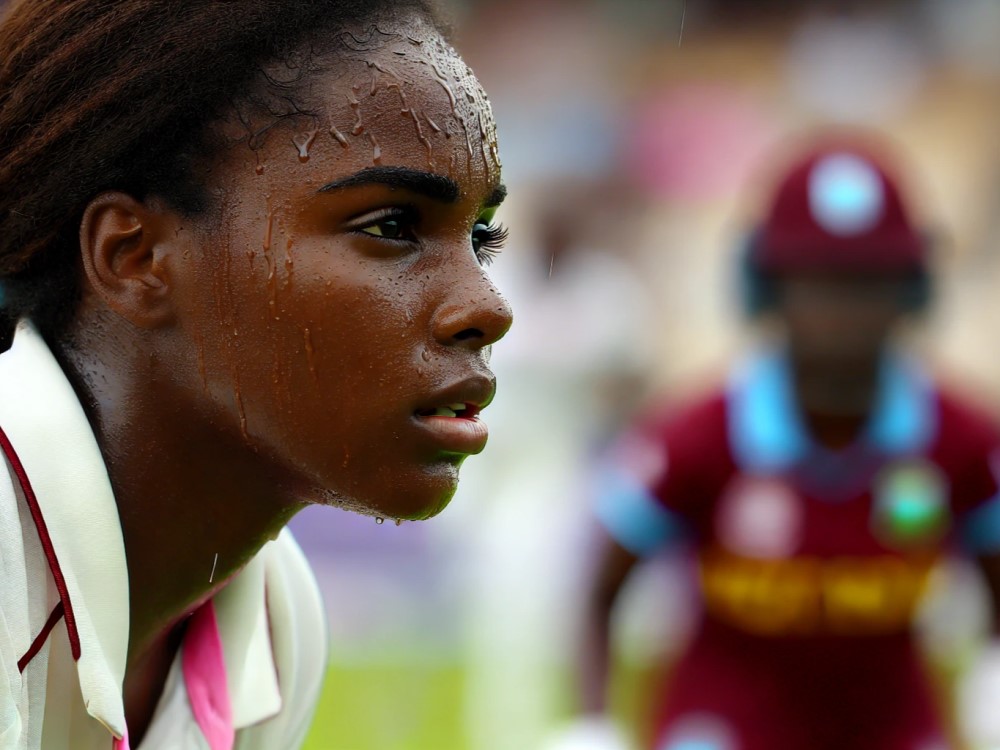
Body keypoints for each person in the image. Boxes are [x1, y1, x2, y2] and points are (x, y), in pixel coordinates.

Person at [0, 1, 512, 748]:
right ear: (134, 256)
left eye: (481, 237)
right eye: (391, 226)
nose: (487, 308)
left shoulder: (275, 619)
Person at [552, 138, 1000, 750]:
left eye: (868, 283)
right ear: (766, 287)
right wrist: (593, 725)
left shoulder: (961, 440)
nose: (844, 314)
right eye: (817, 283)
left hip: (893, 724)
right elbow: (601, 589)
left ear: (912, 290)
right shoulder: (699, 437)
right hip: (726, 722)